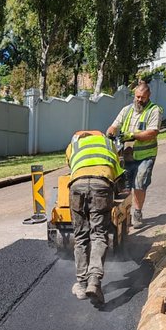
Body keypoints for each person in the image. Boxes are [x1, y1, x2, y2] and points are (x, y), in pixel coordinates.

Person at [65, 130, 125, 305]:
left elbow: (72, 167)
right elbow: (118, 174)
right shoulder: (109, 144)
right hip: (101, 185)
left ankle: (82, 284)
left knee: (80, 237)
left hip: (77, 186)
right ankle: (94, 280)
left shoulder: (74, 145)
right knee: (98, 235)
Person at [106, 82, 162, 229]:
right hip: (127, 155)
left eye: (142, 97)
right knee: (125, 186)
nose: (139, 100)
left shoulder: (154, 110)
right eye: (137, 97)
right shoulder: (126, 110)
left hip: (146, 156)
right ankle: (126, 214)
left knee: (139, 184)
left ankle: (137, 213)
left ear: (148, 96)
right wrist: (110, 133)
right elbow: (114, 125)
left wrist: (133, 135)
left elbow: (152, 132)